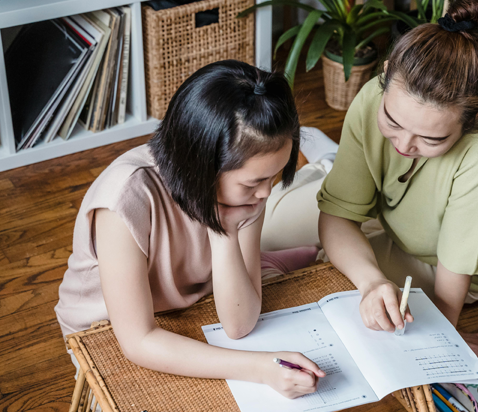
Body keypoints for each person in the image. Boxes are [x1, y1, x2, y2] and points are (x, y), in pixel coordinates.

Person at [55, 60, 326, 399]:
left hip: (192, 303)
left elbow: (239, 324)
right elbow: (138, 341)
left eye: (274, 176)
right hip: (109, 329)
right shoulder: (125, 197)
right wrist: (260, 368)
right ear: (204, 165)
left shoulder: (248, 194)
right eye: (255, 181)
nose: (266, 193)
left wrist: (224, 232)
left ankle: (289, 240)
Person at [315, 0, 478, 361]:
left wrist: (443, 335)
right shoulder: (375, 94)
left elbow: (455, 268)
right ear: (386, 75)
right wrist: (372, 281)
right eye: (393, 121)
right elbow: (338, 213)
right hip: (389, 221)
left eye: (431, 139)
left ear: (474, 116)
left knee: (331, 283)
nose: (404, 144)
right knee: (273, 226)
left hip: (448, 267)